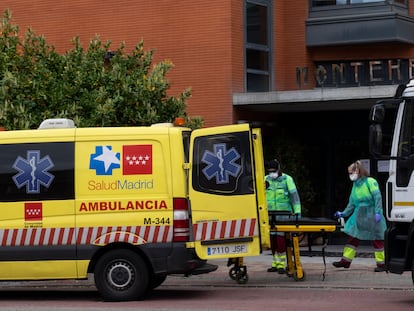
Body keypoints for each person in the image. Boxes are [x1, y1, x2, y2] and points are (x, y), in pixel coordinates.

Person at [333, 160, 387, 272]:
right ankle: (345, 261)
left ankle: (382, 264)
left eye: (351, 172)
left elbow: (377, 197)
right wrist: (343, 213)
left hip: (372, 215)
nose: (350, 175)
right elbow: (352, 203)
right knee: (353, 238)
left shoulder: (370, 181)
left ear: (357, 171)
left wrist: (378, 212)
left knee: (377, 239)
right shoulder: (355, 186)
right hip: (360, 217)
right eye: (349, 173)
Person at [265, 159, 301, 274]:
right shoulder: (266, 180)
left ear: (279, 169)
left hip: (283, 216)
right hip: (270, 215)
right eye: (270, 171)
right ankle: (275, 263)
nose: (272, 173)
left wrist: (297, 212)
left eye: (274, 171)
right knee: (272, 240)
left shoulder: (287, 179)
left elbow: (294, 197)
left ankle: (281, 264)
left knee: (280, 240)